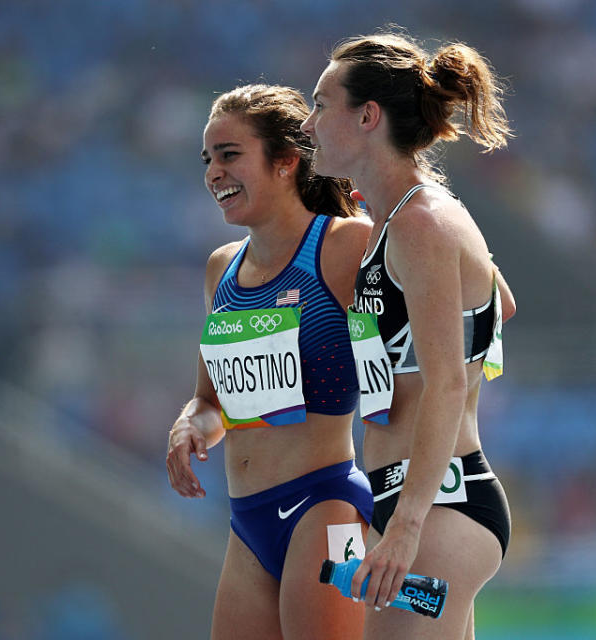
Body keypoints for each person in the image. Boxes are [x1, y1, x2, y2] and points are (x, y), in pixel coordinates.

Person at [300, 28, 518, 639]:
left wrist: (406, 529)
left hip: (439, 504)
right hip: (414, 499)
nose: (309, 123)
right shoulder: (402, 220)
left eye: (321, 104)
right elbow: (501, 300)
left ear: (368, 116)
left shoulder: (421, 222)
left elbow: (447, 383)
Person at [166, 84, 374, 640]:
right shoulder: (221, 269)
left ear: (287, 162)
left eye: (230, 155)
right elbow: (214, 404)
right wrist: (190, 426)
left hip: (325, 506)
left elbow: (444, 302)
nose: (213, 172)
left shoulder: (344, 245)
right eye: (207, 159)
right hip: (247, 523)